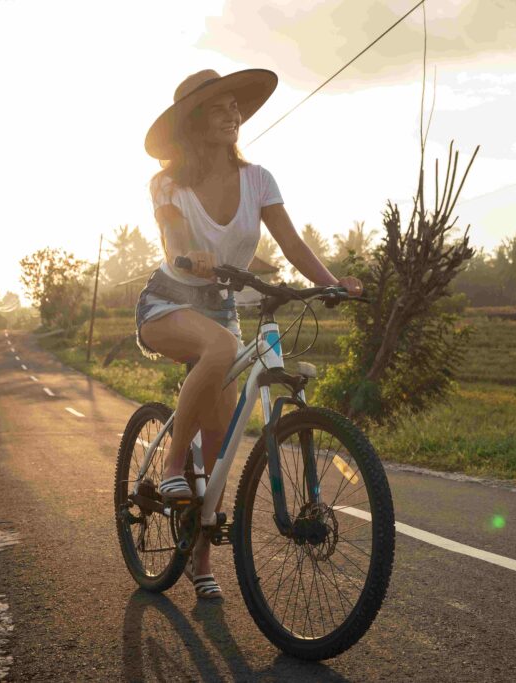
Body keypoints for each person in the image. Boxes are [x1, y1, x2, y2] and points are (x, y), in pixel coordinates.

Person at [137, 68, 362, 599]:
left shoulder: (259, 179)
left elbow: (292, 243)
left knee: (220, 441)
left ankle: (201, 561)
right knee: (220, 349)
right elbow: (172, 241)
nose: (232, 114)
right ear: (194, 121)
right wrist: (190, 258)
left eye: (235, 106)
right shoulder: (167, 182)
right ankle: (171, 466)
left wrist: (331, 284)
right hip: (169, 302)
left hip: (222, 311)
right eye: (218, 107)